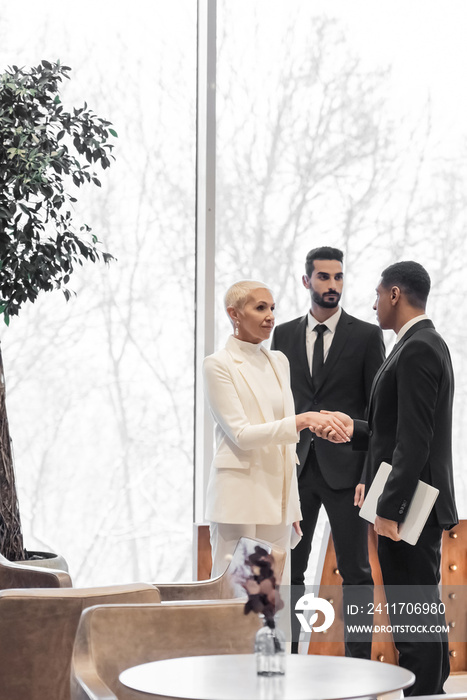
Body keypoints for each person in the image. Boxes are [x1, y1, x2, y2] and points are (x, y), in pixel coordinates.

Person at [322, 261, 458, 696]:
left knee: (412, 615)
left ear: (395, 294)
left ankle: (424, 694)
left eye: (377, 295)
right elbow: (392, 432)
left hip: (412, 506)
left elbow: (415, 443)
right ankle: (428, 694)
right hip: (411, 500)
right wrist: (352, 427)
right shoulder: (416, 344)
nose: (374, 303)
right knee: (417, 611)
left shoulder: (419, 347)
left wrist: (389, 509)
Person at [271, 246, 385, 656]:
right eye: (323, 277)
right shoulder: (281, 335)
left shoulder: (367, 335)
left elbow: (378, 415)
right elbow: (278, 404)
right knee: (292, 573)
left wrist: (367, 475)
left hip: (347, 472)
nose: (332, 285)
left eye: (338, 277)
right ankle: (286, 661)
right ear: (307, 281)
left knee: (356, 573)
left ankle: (360, 666)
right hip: (297, 470)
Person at [203, 280, 350, 580]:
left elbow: (284, 446)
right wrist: (303, 420)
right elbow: (242, 435)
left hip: (277, 501)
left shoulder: (278, 360)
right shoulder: (218, 364)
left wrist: (292, 506)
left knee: (273, 603)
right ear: (234, 313)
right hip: (240, 500)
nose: (270, 315)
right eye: (260, 308)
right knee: (240, 600)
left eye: (272, 308)